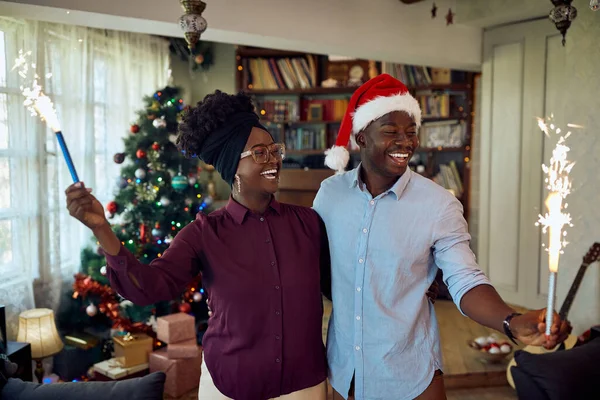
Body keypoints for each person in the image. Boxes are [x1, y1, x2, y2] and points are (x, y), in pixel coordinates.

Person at [314, 73, 573, 400]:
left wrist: (512, 321)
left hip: (410, 375)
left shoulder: (439, 204)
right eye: (391, 132)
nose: (405, 142)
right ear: (361, 137)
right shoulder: (329, 196)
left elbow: (466, 279)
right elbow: (318, 265)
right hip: (343, 373)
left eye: (411, 132)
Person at [65, 90, 331, 400]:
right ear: (232, 165)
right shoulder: (202, 234)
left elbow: (341, 287)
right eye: (260, 153)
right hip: (230, 384)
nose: (274, 159)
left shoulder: (308, 223)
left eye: (274, 149)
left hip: (304, 385)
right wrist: (102, 228)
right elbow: (149, 287)